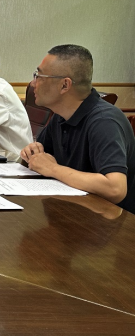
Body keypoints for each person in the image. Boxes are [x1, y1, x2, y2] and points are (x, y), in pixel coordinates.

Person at [20, 45, 134, 214]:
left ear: (64, 85)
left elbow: (115, 189)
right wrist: (32, 153)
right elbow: (42, 158)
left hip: (108, 223)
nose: (33, 83)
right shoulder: (60, 115)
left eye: (39, 76)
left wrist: (53, 169)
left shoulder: (104, 122)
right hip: (71, 212)